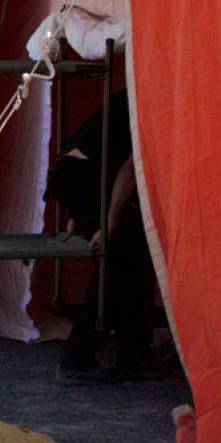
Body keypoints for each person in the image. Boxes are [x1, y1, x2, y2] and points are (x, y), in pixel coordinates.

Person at [45, 89, 162, 384]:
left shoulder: (142, 87)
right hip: (83, 175)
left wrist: (86, 214)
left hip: (82, 175)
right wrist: (107, 221)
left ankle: (133, 353)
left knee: (137, 249)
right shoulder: (155, 94)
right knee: (120, 255)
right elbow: (131, 166)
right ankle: (78, 358)